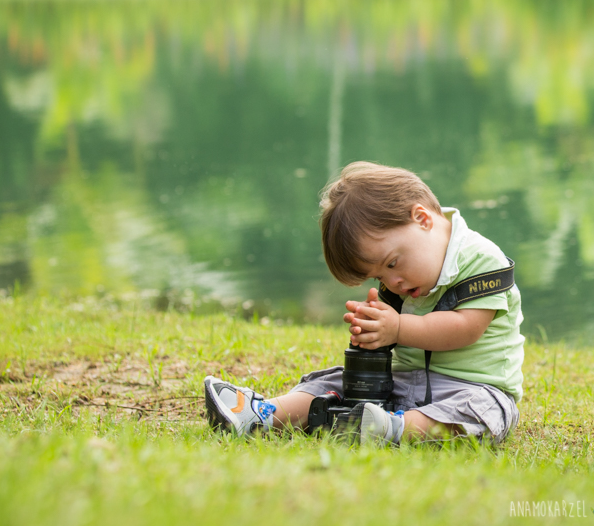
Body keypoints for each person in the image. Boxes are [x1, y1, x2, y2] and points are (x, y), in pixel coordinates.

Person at [204, 161, 525, 446]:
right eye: (378, 277)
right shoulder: (402, 280)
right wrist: (371, 337)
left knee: (475, 414)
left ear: (422, 219)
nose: (391, 282)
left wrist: (397, 327)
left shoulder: (482, 259)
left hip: (473, 388)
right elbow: (390, 334)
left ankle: (391, 429)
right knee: (334, 383)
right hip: (402, 382)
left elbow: (465, 329)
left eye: (392, 263)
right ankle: (262, 414)